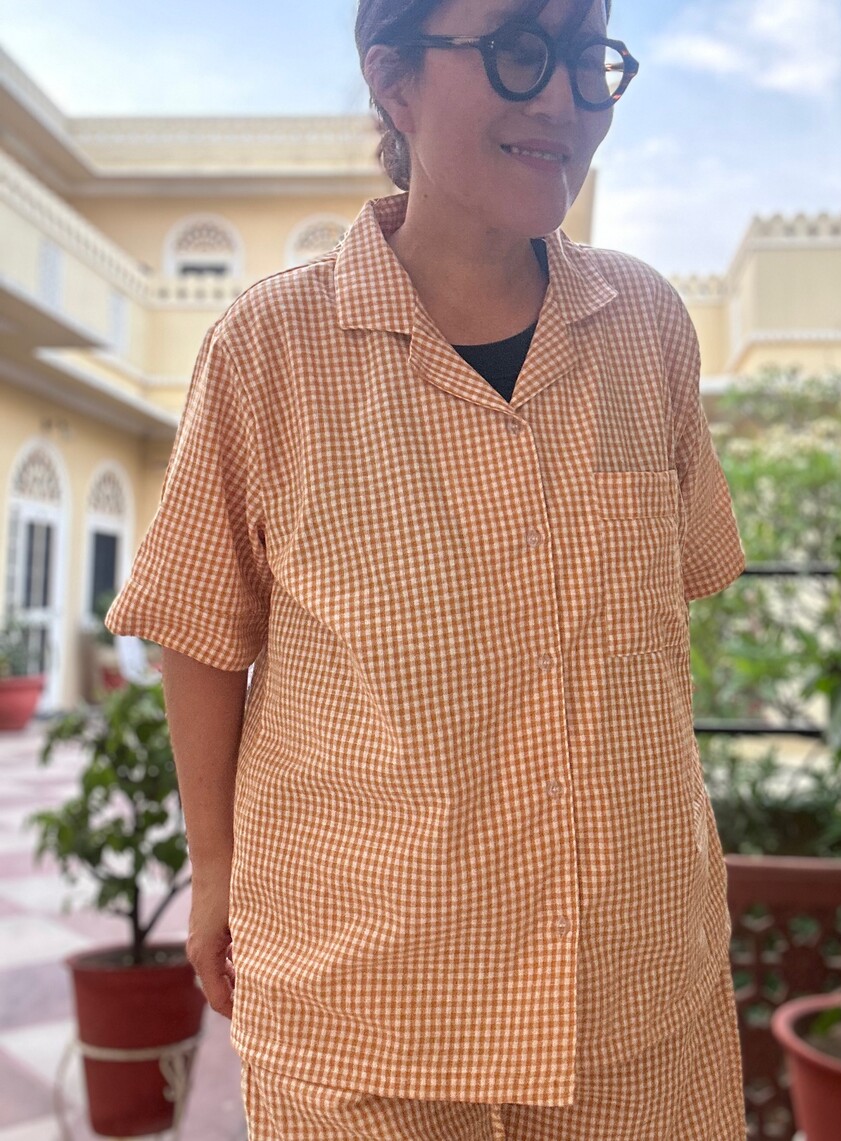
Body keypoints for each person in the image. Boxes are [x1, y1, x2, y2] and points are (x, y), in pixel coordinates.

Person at [107, 0, 747, 1135]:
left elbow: (676, 591)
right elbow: (199, 626)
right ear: (392, 79)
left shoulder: (647, 328)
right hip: (367, 999)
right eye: (519, 48)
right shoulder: (270, 350)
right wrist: (214, 865)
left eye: (588, 56)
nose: (565, 97)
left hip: (632, 986)